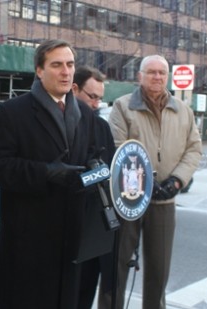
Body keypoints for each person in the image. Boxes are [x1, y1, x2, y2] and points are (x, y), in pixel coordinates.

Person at [0, 39, 96, 309]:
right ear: (39, 70)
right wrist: (46, 173)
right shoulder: (12, 112)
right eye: (56, 65)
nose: (66, 72)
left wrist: (94, 168)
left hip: (72, 235)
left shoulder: (85, 114)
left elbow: (92, 154)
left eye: (70, 64)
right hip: (29, 238)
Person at [103, 54, 201, 309]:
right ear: (140, 76)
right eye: (152, 72)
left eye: (162, 73)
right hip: (129, 201)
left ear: (167, 77)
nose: (157, 77)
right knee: (118, 267)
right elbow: (118, 146)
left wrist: (177, 181)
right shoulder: (123, 106)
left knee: (159, 270)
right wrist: (145, 181)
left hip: (164, 200)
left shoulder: (183, 111)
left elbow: (193, 149)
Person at [72, 66, 116, 308]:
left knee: (85, 293)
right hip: (64, 227)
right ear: (74, 89)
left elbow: (108, 172)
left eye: (100, 98)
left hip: (93, 227)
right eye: (93, 97)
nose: (98, 104)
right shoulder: (61, 123)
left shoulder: (101, 128)